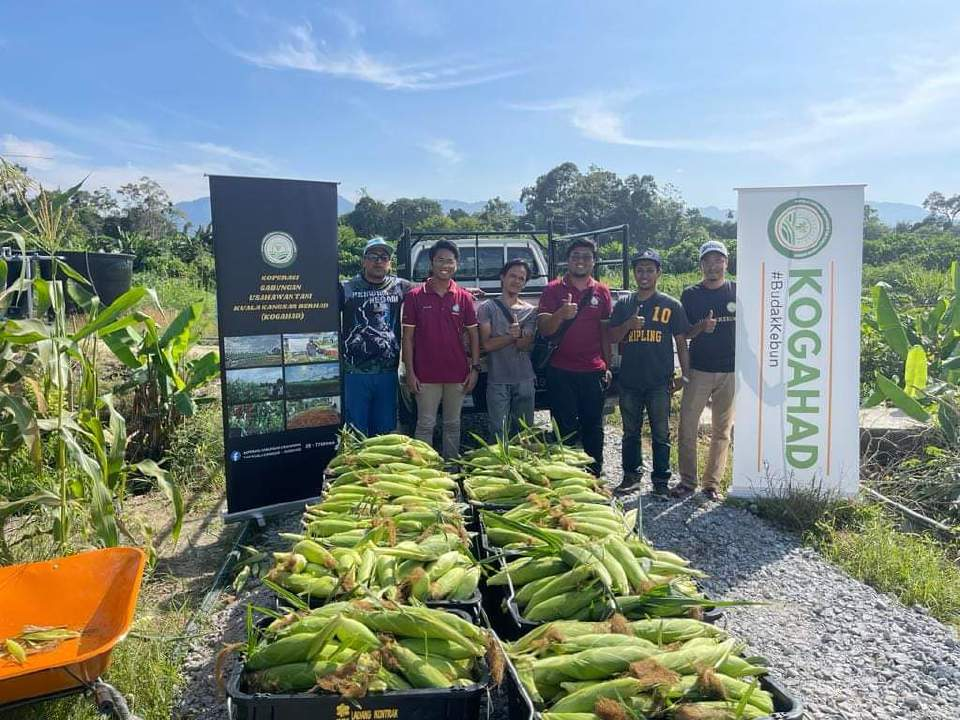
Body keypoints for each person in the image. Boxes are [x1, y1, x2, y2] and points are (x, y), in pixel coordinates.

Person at [607, 250, 691, 496]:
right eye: (640, 270)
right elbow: (612, 336)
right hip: (630, 381)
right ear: (634, 273)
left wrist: (684, 375)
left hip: (659, 382)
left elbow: (681, 343)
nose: (644, 275)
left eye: (649, 270)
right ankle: (631, 477)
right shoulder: (624, 304)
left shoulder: (671, 305)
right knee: (630, 432)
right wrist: (628, 325)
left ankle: (661, 482)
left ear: (658, 273)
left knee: (660, 433)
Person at [537, 238, 613, 476]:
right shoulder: (552, 289)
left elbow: (605, 333)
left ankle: (594, 475)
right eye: (575, 256)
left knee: (593, 426)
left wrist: (607, 365)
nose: (581, 260)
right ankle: (567, 476)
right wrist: (561, 313)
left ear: (594, 261)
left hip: (593, 371)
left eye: (586, 256)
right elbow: (544, 329)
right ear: (567, 260)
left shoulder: (602, 292)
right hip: (561, 370)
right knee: (564, 427)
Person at [401, 239, 480, 459]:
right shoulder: (415, 296)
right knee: (425, 424)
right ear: (432, 263)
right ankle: (423, 472)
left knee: (453, 424)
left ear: (457, 264)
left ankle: (450, 470)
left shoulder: (463, 297)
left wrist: (474, 369)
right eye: (440, 260)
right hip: (425, 374)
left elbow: (473, 334)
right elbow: (407, 338)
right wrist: (410, 373)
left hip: (457, 374)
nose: (445, 265)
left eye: (450, 261)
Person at [675, 239, 737, 501]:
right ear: (701, 265)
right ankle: (687, 482)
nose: (713, 266)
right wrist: (702, 327)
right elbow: (683, 334)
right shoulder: (691, 294)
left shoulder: (738, 290)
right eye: (708, 261)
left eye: (718, 260)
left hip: (731, 371)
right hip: (699, 370)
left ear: (726, 263)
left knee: (722, 431)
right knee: (687, 427)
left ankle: (712, 484)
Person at [340, 237, 413, 437]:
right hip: (354, 373)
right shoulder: (346, 288)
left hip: (387, 373)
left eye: (384, 257)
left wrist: (464, 292)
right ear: (364, 261)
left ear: (390, 263)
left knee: (385, 432)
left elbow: (431, 290)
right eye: (373, 256)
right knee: (355, 430)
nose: (379, 261)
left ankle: (379, 468)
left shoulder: (400, 286)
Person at [478, 259, 537, 440]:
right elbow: (486, 344)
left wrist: (518, 338)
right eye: (513, 275)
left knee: (524, 433)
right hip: (497, 380)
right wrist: (512, 336)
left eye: (522, 278)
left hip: (525, 380)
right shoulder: (487, 308)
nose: (517, 281)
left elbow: (525, 345)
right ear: (502, 277)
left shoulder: (531, 311)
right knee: (498, 432)